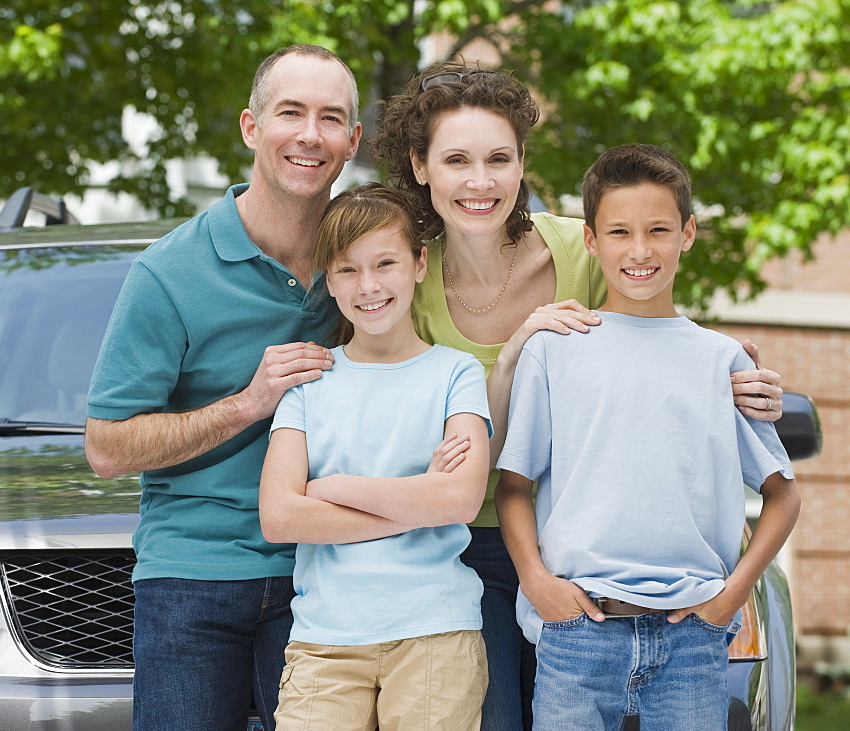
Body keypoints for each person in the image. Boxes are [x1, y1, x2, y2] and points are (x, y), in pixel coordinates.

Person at [371, 62, 786, 730]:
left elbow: (654, 336)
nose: (481, 182)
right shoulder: (400, 279)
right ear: (421, 167)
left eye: (499, 158)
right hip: (450, 548)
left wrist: (734, 378)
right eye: (456, 160)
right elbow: (403, 437)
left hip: (582, 551)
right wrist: (510, 357)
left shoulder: (585, 248)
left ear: (522, 162)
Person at [84, 45, 361, 730]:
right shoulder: (168, 273)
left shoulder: (365, 264)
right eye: (290, 112)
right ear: (250, 127)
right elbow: (107, 448)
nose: (309, 134)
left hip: (322, 570)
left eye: (331, 119)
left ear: (353, 142)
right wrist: (249, 401)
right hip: (193, 573)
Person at [494, 143, 801, 729]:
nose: (639, 251)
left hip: (692, 640)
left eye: (658, 230)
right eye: (619, 232)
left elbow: (784, 493)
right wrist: (537, 583)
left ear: (687, 233)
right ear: (591, 241)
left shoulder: (723, 359)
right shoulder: (554, 351)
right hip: (578, 633)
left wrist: (729, 598)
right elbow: (513, 485)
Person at [259, 183, 492, 730]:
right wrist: (417, 501)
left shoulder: (455, 373)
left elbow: (459, 498)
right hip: (325, 641)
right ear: (329, 281)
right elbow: (281, 516)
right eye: (347, 270)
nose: (369, 286)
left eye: (385, 263)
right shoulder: (308, 383)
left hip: (436, 631)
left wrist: (335, 487)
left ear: (418, 264)